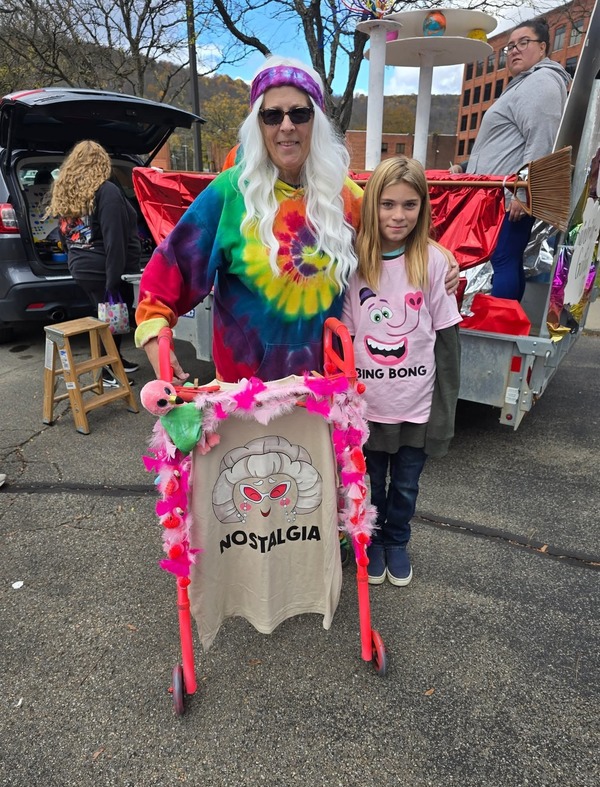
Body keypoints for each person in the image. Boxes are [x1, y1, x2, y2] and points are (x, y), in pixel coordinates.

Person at [135, 54, 461, 384]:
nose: (286, 126)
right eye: (272, 115)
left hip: (322, 389)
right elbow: (171, 268)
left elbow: (393, 234)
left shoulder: (342, 194)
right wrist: (153, 331)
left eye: (299, 114)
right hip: (245, 392)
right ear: (258, 125)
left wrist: (438, 252)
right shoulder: (230, 194)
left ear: (315, 122)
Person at [341, 157, 462, 587]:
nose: (398, 215)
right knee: (373, 484)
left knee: (406, 487)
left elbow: (447, 343)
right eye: (387, 204)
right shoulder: (354, 264)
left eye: (409, 205)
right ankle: (372, 541)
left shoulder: (430, 262)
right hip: (370, 409)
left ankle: (397, 540)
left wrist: (444, 412)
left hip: (416, 407)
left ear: (422, 208)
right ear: (371, 204)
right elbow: (346, 343)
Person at [450, 18, 570, 300]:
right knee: (505, 259)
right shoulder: (523, 84)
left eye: (523, 43)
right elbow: (505, 145)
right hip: (499, 194)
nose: (514, 50)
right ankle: (508, 324)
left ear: (542, 48)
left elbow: (542, 140)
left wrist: (524, 193)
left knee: (503, 258)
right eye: (510, 47)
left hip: (509, 197)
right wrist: (465, 168)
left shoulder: (541, 82)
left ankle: (503, 333)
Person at [47, 140, 140, 386]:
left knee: (105, 317)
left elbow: (64, 233)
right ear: (101, 163)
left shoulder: (69, 192)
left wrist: (74, 259)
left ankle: (115, 359)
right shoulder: (106, 191)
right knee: (110, 318)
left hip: (83, 265)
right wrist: (113, 280)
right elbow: (114, 239)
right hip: (105, 269)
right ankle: (107, 372)